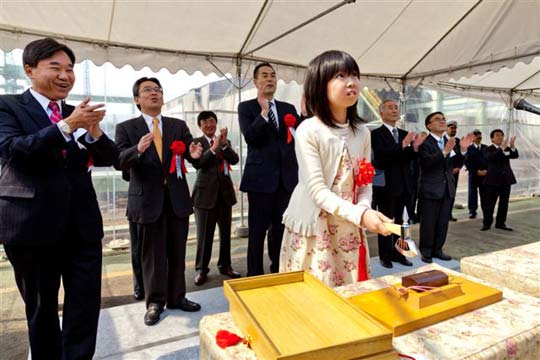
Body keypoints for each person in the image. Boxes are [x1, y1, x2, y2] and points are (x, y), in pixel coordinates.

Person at [0, 37, 118, 359]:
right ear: (29, 69)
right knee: (42, 310)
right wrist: (67, 125)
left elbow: (110, 157)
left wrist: (93, 132)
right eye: (56, 67)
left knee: (84, 307)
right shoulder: (8, 105)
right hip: (32, 229)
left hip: (81, 228)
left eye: (70, 69)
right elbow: (13, 150)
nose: (66, 75)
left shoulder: (76, 113)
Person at [279, 50, 392, 287]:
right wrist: (361, 214)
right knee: (316, 293)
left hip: (349, 224)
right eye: (340, 75)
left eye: (354, 74)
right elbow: (318, 191)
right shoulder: (309, 130)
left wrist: (363, 209)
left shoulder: (362, 132)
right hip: (315, 226)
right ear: (320, 85)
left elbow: (364, 181)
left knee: (351, 291)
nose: (351, 82)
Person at [115, 77, 203, 326]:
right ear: (137, 100)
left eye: (158, 90)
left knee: (177, 252)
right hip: (147, 202)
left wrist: (195, 155)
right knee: (152, 256)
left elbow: (191, 155)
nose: (154, 93)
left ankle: (178, 297)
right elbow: (119, 161)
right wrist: (138, 150)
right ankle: (155, 301)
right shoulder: (126, 128)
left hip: (176, 199)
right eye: (147, 90)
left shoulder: (177, 125)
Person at [238, 62, 304, 276]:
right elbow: (250, 137)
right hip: (260, 181)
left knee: (281, 230)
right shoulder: (247, 108)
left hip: (286, 181)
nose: (270, 79)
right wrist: (264, 113)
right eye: (264, 75)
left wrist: (304, 116)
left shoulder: (288, 109)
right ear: (255, 81)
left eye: (273, 75)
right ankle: (254, 275)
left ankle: (280, 269)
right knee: (257, 232)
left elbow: (299, 139)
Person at [371, 99, 426, 269]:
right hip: (386, 185)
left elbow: (409, 159)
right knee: (387, 222)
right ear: (381, 113)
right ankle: (385, 256)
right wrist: (401, 146)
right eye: (390, 107)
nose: (394, 110)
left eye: (396, 108)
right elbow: (380, 158)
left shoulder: (404, 133)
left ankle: (399, 254)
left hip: (404, 185)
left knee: (402, 223)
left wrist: (415, 148)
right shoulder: (376, 134)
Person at [192, 111, 240, 285]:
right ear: (200, 125)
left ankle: (225, 265)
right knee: (204, 236)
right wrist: (213, 149)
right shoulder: (196, 143)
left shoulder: (224, 140)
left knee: (225, 233)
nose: (210, 125)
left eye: (212, 121)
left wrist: (224, 145)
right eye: (205, 122)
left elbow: (234, 160)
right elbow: (198, 163)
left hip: (224, 195)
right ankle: (201, 269)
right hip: (204, 196)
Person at [418, 112, 473, 263]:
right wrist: (444, 152)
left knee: (443, 222)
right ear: (429, 125)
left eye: (443, 119)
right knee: (428, 223)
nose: (442, 121)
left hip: (447, 188)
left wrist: (462, 150)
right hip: (430, 189)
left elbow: (456, 164)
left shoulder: (448, 141)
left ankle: (438, 249)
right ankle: (426, 251)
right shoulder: (424, 142)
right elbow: (426, 163)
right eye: (437, 119)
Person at [481, 129, 518, 231]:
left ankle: (501, 223)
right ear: (492, 139)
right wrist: (501, 148)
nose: (500, 137)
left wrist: (512, 146)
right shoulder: (487, 149)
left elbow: (515, 155)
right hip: (492, 181)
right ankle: (487, 224)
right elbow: (490, 158)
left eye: (502, 135)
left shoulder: (506, 148)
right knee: (489, 204)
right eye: (497, 135)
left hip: (506, 180)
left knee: (504, 203)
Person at [463, 129, 488, 219]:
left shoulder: (486, 148)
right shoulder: (468, 149)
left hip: (484, 174)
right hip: (473, 174)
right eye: (476, 135)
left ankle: (486, 210)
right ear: (472, 138)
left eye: (480, 134)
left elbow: (489, 160)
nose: (479, 136)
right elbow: (466, 161)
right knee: (472, 193)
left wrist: (486, 170)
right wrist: (476, 171)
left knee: (484, 193)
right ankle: (472, 211)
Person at [445, 120, 461, 221]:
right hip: (444, 172)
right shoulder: (442, 140)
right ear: (446, 129)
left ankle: (449, 214)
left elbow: (462, 156)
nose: (453, 130)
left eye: (455, 128)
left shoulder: (458, 141)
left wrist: (458, 167)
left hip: (455, 172)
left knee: (452, 193)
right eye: (451, 128)